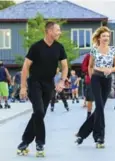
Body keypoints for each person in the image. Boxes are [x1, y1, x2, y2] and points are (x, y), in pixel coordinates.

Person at [17, 21, 68, 157]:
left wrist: (62, 81)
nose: (59, 32)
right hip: (34, 83)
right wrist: (23, 87)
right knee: (39, 111)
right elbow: (25, 67)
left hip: (49, 84)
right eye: (57, 30)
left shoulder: (59, 47)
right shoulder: (36, 47)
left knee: (39, 114)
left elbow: (64, 66)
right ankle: (40, 143)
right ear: (49, 31)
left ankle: (24, 142)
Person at [75, 26, 115, 148]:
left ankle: (82, 134)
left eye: (108, 36)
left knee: (100, 108)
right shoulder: (94, 50)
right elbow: (90, 66)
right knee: (99, 106)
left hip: (107, 79)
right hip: (96, 79)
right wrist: (91, 78)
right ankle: (100, 137)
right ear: (99, 38)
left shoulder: (113, 50)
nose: (106, 38)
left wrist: (110, 69)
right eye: (104, 36)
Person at [81, 53, 94, 119]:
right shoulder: (89, 55)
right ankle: (89, 115)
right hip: (90, 81)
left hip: (101, 80)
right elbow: (83, 68)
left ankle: (98, 116)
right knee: (90, 99)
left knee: (100, 100)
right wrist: (91, 68)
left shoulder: (103, 54)